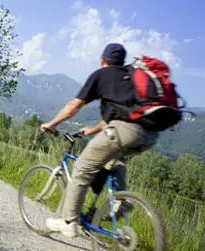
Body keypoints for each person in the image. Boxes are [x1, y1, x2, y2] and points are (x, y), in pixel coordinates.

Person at [40, 43, 158, 237]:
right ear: (122, 61)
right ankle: (121, 199)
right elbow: (113, 118)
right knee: (112, 162)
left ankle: (68, 221)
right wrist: (92, 130)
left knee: (82, 169)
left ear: (103, 60)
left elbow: (72, 107)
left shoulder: (102, 75)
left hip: (123, 132)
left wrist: (51, 124)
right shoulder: (130, 77)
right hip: (148, 135)